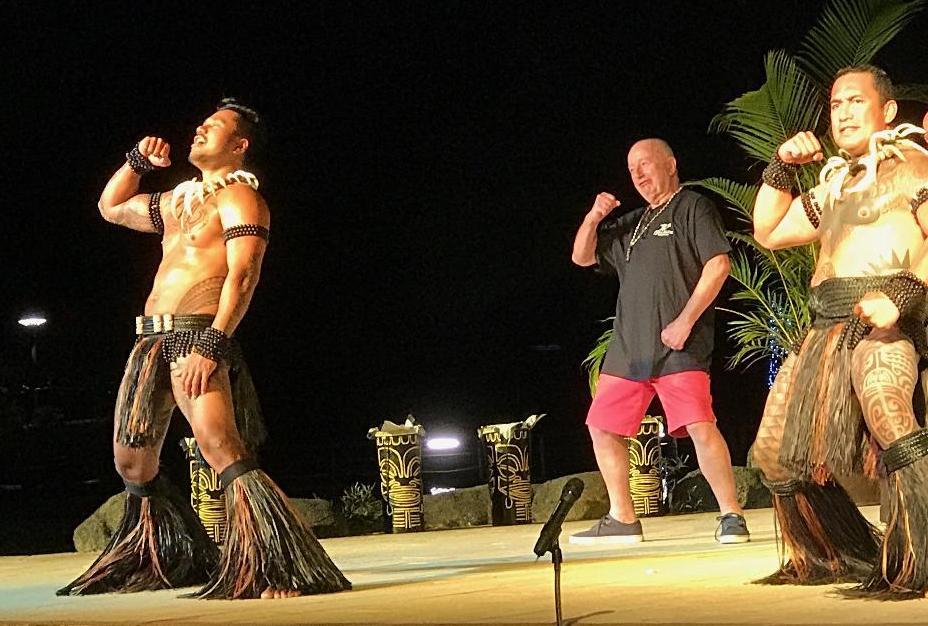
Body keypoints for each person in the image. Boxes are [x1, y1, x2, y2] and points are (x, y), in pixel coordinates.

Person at [58, 99, 351, 600]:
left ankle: (280, 569)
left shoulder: (240, 198)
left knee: (219, 445)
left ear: (239, 146)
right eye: (200, 123)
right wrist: (137, 162)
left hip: (198, 334)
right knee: (132, 464)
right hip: (150, 341)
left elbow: (243, 274)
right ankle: (167, 557)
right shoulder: (179, 201)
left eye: (212, 127)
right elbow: (111, 207)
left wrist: (213, 343)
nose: (199, 129)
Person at [751, 65, 928, 597]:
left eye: (855, 101)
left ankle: (914, 558)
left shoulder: (913, 165)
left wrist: (902, 294)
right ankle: (835, 554)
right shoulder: (835, 183)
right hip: (825, 327)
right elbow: (769, 231)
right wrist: (781, 167)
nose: (843, 113)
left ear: (887, 110)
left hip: (886, 318)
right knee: (773, 451)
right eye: (835, 105)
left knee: (886, 406)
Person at [569, 138, 749, 545]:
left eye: (645, 164)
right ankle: (622, 517)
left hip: (679, 347)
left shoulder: (692, 207)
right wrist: (594, 218)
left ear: (670, 164)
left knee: (700, 426)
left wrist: (685, 321)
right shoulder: (632, 224)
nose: (638, 174)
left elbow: (719, 265)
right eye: (632, 168)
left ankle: (731, 515)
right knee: (602, 427)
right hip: (629, 349)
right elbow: (582, 257)